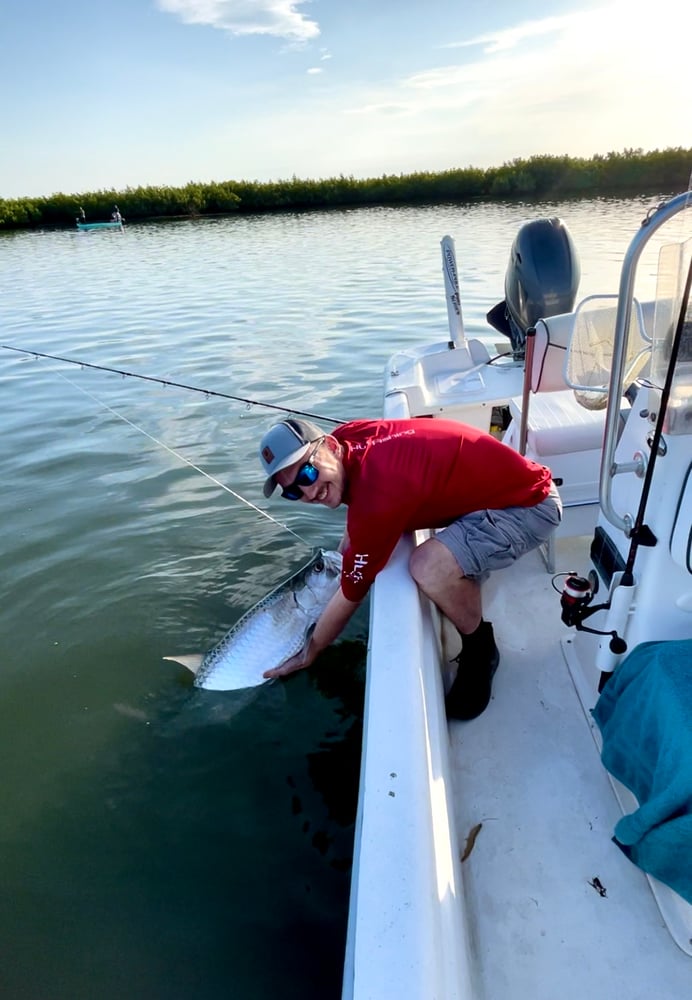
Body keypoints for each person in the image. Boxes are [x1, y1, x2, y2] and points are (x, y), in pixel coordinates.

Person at [258, 416, 562, 720]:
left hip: (530, 506)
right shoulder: (349, 439)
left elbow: (353, 592)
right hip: (495, 493)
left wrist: (311, 651)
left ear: (331, 447)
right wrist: (345, 555)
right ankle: (467, 574)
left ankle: (480, 648)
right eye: (293, 492)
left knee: (428, 567)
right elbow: (359, 511)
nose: (308, 493)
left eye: (308, 473)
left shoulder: (378, 494)